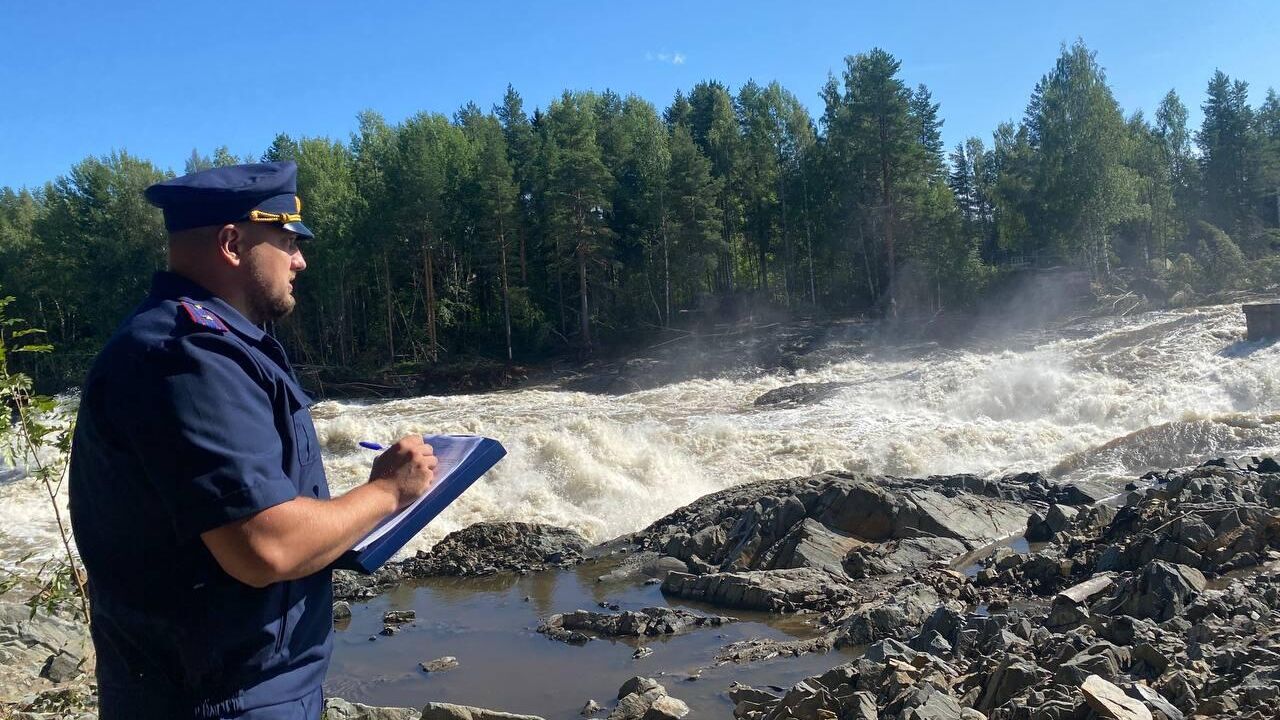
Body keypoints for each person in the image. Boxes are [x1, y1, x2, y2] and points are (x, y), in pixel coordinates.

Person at [67, 161, 437, 720]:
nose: (300, 260)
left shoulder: (217, 342)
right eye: (287, 241)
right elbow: (267, 547)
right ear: (233, 242)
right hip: (218, 700)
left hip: (247, 685)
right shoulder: (187, 358)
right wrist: (388, 492)